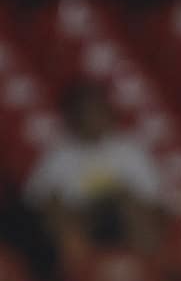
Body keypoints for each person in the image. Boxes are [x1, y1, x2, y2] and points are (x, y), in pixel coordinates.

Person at [24, 80, 166, 266]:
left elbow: (155, 201)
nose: (93, 117)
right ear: (73, 117)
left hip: (122, 220)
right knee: (57, 211)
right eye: (86, 112)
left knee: (131, 206)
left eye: (98, 110)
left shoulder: (129, 149)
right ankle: (81, 277)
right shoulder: (58, 156)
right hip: (82, 221)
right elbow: (35, 201)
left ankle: (149, 274)